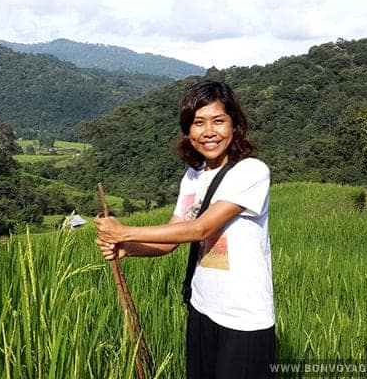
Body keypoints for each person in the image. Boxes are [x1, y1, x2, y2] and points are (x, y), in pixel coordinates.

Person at [94, 80, 275, 378]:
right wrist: (127, 248)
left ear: (235, 125)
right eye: (198, 123)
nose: (208, 132)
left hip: (243, 318)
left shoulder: (252, 172)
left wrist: (124, 231)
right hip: (202, 308)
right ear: (187, 130)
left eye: (218, 121)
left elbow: (201, 229)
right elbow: (170, 240)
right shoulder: (193, 176)